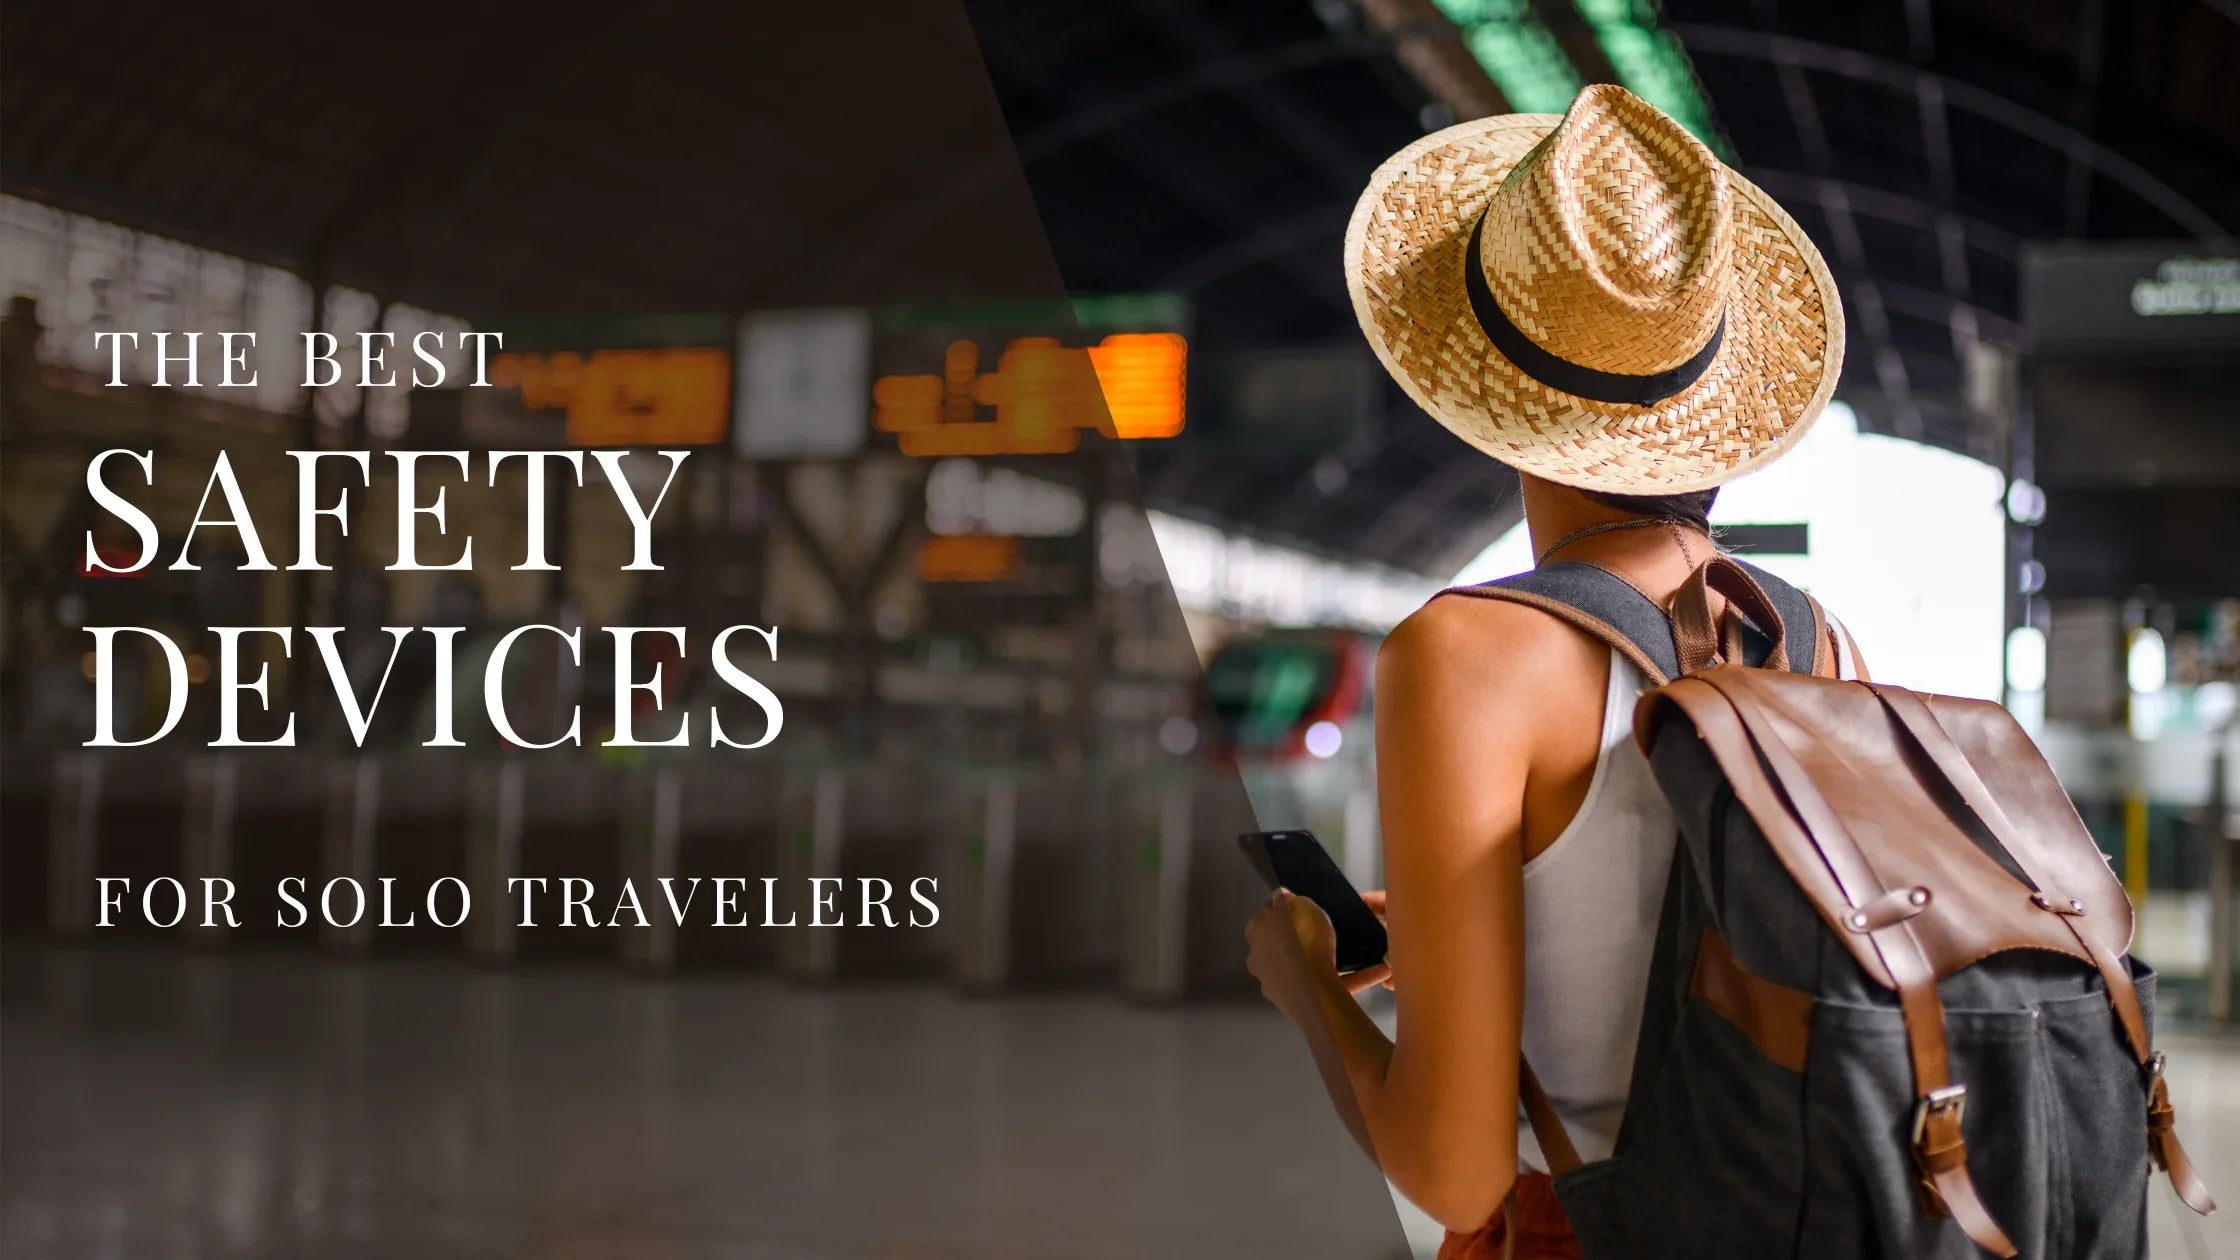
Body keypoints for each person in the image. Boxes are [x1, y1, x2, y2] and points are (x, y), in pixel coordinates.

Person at [1243, 84, 1849, 1258]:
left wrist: (1305, 986)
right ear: (1712, 401)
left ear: (1486, 404)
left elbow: (1454, 1170)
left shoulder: (1466, 652)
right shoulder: (1819, 640)